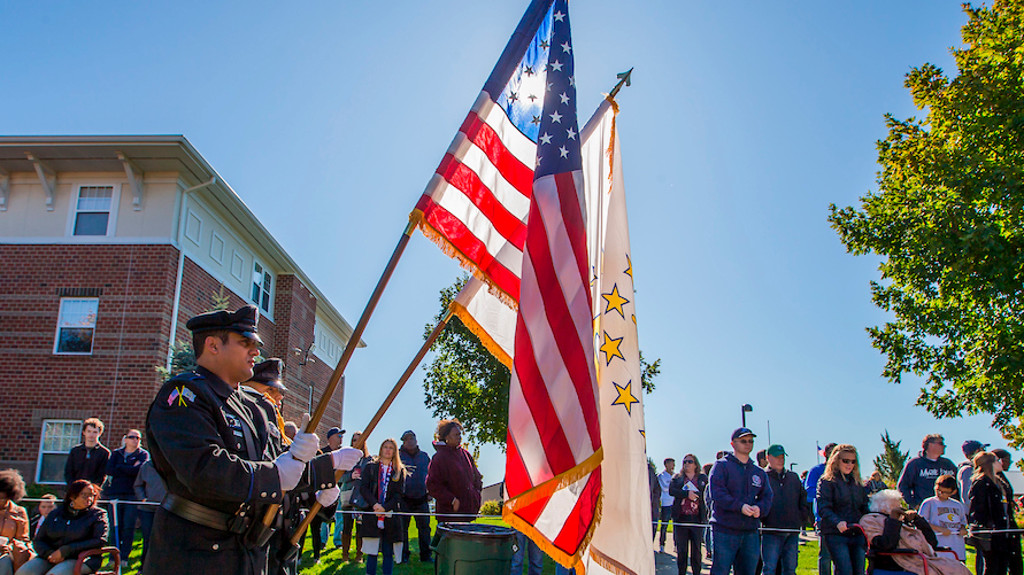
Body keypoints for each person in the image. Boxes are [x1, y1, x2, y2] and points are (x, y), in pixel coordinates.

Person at [142, 306, 361, 575]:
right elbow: (203, 468)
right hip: (196, 553)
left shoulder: (255, 407)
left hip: (247, 551)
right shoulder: (184, 395)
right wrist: (277, 474)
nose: (255, 352)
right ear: (212, 345)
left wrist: (325, 471)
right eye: (246, 343)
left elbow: (280, 465)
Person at [708, 428, 773, 575]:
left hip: (750, 532)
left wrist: (759, 508)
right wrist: (740, 507)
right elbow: (718, 494)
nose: (748, 444)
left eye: (751, 441)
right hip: (724, 530)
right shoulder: (721, 466)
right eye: (743, 441)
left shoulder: (759, 472)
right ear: (733, 444)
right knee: (720, 570)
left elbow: (767, 496)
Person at [860, 489, 970, 575]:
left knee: (958, 568)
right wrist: (893, 519)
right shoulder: (871, 520)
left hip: (919, 558)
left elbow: (932, 542)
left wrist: (918, 520)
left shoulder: (901, 522)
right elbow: (887, 544)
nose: (901, 508)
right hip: (896, 561)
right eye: (896, 505)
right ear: (883, 507)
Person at [17, 481, 107, 575]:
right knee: (24, 572)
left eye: (92, 495)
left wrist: (66, 550)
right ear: (72, 496)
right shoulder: (56, 513)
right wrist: (50, 554)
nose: (89, 499)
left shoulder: (98, 515)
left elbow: (100, 540)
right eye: (84, 495)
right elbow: (39, 540)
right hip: (50, 557)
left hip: (82, 559)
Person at [817, 444, 869, 575]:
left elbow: (864, 506)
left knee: (859, 571)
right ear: (836, 461)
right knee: (844, 570)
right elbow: (823, 507)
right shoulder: (827, 481)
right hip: (836, 534)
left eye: (853, 461)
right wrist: (837, 522)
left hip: (857, 533)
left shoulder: (857, 483)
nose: (849, 464)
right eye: (845, 460)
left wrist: (869, 522)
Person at [359, 438, 407, 575]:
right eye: (385, 447)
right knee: (372, 551)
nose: (387, 450)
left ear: (395, 451)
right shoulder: (371, 467)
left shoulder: (399, 471)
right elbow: (364, 488)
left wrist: (384, 508)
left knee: (387, 550)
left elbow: (399, 494)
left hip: (390, 514)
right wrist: (375, 505)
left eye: (391, 448)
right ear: (381, 449)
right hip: (372, 512)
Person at [761, 445, 809, 575]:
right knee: (769, 568)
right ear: (768, 458)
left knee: (790, 568)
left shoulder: (793, 477)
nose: (780, 460)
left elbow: (803, 499)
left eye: (782, 457)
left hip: (792, 530)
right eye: (777, 457)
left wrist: (800, 518)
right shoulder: (762, 477)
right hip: (771, 530)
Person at [103, 428, 148, 563]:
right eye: (132, 437)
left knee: (128, 526)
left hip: (132, 495)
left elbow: (138, 471)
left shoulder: (143, 455)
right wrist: (127, 468)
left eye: (137, 438)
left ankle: (124, 557)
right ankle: (113, 556)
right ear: (125, 439)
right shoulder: (116, 453)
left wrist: (121, 467)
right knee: (115, 525)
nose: (135, 440)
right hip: (115, 493)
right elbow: (109, 470)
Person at [426, 419, 482, 525]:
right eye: (456, 435)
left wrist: (476, 495)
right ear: (446, 437)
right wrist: (451, 500)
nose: (459, 437)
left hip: (467, 513)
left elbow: (477, 477)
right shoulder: (439, 458)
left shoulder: (465, 454)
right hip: (449, 515)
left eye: (460, 434)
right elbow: (432, 485)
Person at [970, 451, 1013, 575]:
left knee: (1003, 566)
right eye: (997, 460)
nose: (1000, 463)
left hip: (1003, 530)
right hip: (992, 532)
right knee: (992, 566)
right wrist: (985, 527)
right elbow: (978, 509)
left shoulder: (1000, 483)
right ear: (990, 464)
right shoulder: (981, 483)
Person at [308, 427, 345, 563]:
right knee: (316, 525)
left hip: (337, 494)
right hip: (320, 495)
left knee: (338, 519)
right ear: (330, 437)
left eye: (341, 436)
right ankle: (317, 549)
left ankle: (337, 541)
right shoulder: (322, 454)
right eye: (338, 436)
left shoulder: (342, 454)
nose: (340, 438)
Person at [669, 454, 707, 575]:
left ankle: (696, 572)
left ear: (696, 464)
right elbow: (672, 491)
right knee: (682, 550)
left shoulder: (702, 478)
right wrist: (686, 494)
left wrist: (696, 495)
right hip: (681, 518)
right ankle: (682, 572)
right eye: (685, 462)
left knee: (696, 550)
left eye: (690, 461)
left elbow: (708, 494)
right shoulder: (678, 477)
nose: (687, 464)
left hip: (696, 518)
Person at [398, 430, 432, 564]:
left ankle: (426, 555)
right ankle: (404, 555)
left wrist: (430, 492)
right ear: (404, 442)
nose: (410, 441)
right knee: (402, 529)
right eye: (407, 439)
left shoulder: (424, 456)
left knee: (424, 529)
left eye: (412, 438)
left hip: (422, 498)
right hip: (404, 498)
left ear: (416, 440)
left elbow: (431, 475)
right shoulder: (399, 456)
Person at [899, 434, 958, 509]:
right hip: (925, 511)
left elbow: (957, 486)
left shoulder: (948, 464)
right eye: (941, 444)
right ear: (930, 445)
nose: (944, 446)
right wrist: (914, 504)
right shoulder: (915, 464)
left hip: (947, 511)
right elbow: (903, 486)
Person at [338, 431, 371, 563]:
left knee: (360, 527)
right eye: (354, 440)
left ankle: (359, 554)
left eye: (359, 439)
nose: (356, 442)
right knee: (346, 526)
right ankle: (345, 554)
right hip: (348, 496)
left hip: (362, 498)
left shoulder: (368, 460)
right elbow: (339, 477)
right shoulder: (347, 458)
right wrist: (350, 476)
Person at [806, 442, 837, 575]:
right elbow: (809, 491)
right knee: (825, 555)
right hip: (824, 517)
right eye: (831, 452)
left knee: (840, 555)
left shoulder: (845, 472)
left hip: (843, 518)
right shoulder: (817, 471)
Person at [919, 475, 968, 561]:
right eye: (938, 490)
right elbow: (921, 523)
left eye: (944, 492)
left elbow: (963, 523)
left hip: (957, 549)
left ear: (953, 492)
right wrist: (940, 529)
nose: (940, 493)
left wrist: (963, 529)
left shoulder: (958, 505)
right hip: (938, 549)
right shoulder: (929, 503)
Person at [992, 449, 1021, 575]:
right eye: (1008, 460)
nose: (1010, 463)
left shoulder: (1003, 477)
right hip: (998, 526)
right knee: (999, 563)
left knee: (1016, 560)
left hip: (1009, 522)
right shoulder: (990, 479)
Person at [0, 470, 34, 575]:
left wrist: (9, 547)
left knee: (4, 562)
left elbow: (23, 540)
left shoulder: (19, 512)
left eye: (2, 498)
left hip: (7, 554)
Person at [132, 459, 165, 563]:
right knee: (148, 538)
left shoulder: (172, 465)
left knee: (163, 539)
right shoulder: (147, 466)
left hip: (165, 509)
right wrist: (142, 499)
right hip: (147, 509)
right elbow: (138, 485)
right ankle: (144, 566)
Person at [63, 418, 109, 487]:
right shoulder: (75, 451)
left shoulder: (104, 453)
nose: (91, 435)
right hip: (74, 490)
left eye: (94, 432)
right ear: (84, 432)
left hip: (93, 491)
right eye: (89, 431)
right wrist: (73, 487)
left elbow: (102, 475)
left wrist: (92, 489)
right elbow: (68, 472)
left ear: (100, 433)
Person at [657, 458, 676, 553]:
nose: (673, 466)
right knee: (664, 525)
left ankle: (676, 545)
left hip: (675, 503)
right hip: (666, 503)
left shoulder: (675, 476)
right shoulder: (661, 476)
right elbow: (665, 488)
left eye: (674, 464)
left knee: (676, 525)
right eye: (671, 464)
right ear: (666, 464)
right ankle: (661, 544)